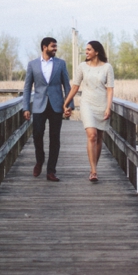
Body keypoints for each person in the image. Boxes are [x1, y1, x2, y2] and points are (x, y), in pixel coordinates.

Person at [23, 37, 73, 182]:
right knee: (37, 135)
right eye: (53, 46)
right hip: (39, 106)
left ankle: (51, 171)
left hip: (56, 105)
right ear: (44, 47)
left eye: (56, 46)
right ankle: (40, 160)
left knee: (54, 138)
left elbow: (67, 86)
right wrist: (26, 107)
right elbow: (27, 88)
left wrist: (69, 105)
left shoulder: (60, 64)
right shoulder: (32, 64)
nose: (55, 49)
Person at [63, 41, 114, 182]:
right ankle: (93, 171)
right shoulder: (82, 67)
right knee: (92, 135)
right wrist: (65, 103)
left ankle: (94, 167)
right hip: (87, 103)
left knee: (99, 137)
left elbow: (110, 89)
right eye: (86, 49)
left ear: (97, 52)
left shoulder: (107, 68)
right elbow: (75, 87)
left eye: (89, 49)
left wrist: (108, 107)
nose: (86, 52)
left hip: (102, 104)